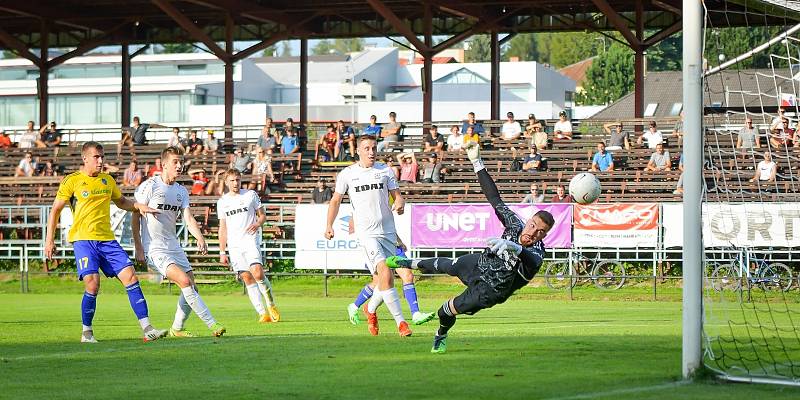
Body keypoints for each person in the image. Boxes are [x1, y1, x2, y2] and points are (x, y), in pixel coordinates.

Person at [386, 141, 554, 353]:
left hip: (491, 290)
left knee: (444, 312)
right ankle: (405, 262)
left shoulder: (538, 250)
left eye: (540, 232)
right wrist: (477, 162)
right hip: (479, 264)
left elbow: (533, 261)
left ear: (545, 235)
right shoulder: (515, 224)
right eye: (533, 226)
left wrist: (517, 248)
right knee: (445, 264)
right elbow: (494, 198)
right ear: (529, 221)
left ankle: (441, 335)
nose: (533, 233)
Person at [44, 141, 167, 343]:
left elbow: (121, 202)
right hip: (84, 240)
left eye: (102, 157)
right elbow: (55, 209)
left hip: (107, 241)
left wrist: (139, 207)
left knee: (131, 277)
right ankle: (87, 332)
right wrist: (50, 240)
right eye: (96, 157)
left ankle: (147, 329)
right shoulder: (72, 181)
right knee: (92, 285)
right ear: (85, 158)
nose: (101, 161)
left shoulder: (107, 181)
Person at [132, 146, 226, 338]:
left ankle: (177, 328)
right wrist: (139, 247)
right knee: (184, 282)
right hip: (155, 248)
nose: (180, 165)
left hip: (174, 246)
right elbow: (135, 216)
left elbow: (188, 218)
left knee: (192, 286)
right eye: (175, 162)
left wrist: (200, 237)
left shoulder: (181, 191)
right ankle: (212, 324)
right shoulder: (149, 186)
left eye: (181, 161)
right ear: (164, 164)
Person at [325, 135, 412, 337]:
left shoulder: (385, 170)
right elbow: (336, 201)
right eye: (366, 148)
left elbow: (397, 195)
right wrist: (329, 225)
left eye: (373, 148)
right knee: (384, 272)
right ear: (358, 150)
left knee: (384, 278)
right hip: (366, 233)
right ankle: (402, 323)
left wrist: (400, 203)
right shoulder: (347, 174)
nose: (371, 152)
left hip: (388, 232)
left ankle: (370, 309)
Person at [217, 169, 280, 323]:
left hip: (250, 240)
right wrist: (222, 251)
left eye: (237, 180)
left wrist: (258, 223)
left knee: (258, 273)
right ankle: (262, 313)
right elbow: (223, 227)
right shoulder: (222, 202)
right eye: (231, 180)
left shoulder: (250, 195)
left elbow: (262, 215)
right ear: (226, 182)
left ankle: (271, 305)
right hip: (234, 245)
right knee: (247, 278)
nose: (235, 183)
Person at [346, 217, 435, 327]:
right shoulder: (362, 204)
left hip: (392, 244)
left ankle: (416, 314)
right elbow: (353, 221)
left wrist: (399, 240)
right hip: (374, 243)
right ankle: (357, 307)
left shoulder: (387, 201)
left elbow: (386, 222)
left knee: (408, 275)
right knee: (380, 282)